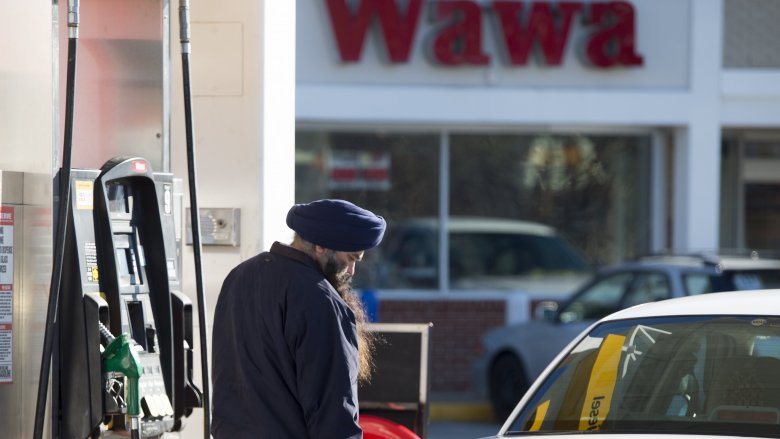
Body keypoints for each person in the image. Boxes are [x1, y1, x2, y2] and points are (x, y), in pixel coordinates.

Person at [211, 199, 386, 439]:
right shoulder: (320, 298)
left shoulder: (240, 276)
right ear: (321, 246)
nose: (351, 271)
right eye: (351, 258)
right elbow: (332, 409)